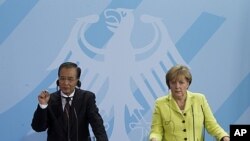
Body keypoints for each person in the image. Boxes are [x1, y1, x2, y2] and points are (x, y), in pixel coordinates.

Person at [149, 64, 230, 141]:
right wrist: (154, 139)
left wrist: (224, 136)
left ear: (188, 83)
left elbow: (212, 125)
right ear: (169, 84)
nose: (177, 86)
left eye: (181, 82)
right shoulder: (160, 104)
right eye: (173, 82)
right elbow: (156, 131)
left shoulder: (200, 99)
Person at [31, 62, 108, 141]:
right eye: (62, 78)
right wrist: (43, 105)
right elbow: (38, 128)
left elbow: (97, 125)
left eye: (70, 79)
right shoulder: (49, 99)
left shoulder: (87, 98)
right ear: (58, 79)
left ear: (77, 80)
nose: (65, 83)